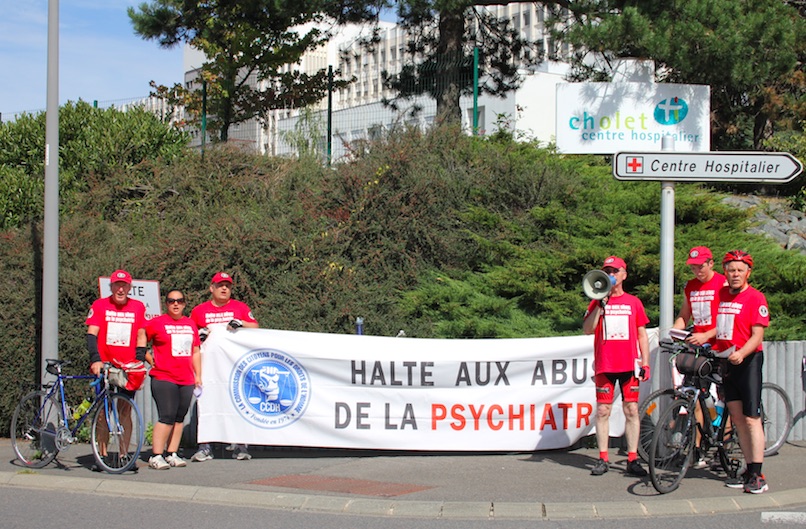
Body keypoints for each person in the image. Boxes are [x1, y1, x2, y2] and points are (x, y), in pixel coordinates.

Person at [583, 256, 650, 477]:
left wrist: (646, 362)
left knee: (631, 409)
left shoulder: (634, 302)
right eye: (607, 271)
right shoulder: (597, 300)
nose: (611, 274)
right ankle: (603, 458)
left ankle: (632, 458)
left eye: (615, 271)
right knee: (603, 410)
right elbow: (588, 329)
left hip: (629, 364)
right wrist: (600, 306)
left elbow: (642, 334)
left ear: (624, 275)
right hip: (606, 364)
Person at [715, 250, 770, 494]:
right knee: (736, 417)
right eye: (731, 269)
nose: (735, 274)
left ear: (748, 272)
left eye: (739, 270)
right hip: (727, 361)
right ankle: (748, 468)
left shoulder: (756, 298)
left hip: (748, 362)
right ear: (725, 272)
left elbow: (758, 335)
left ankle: (758, 474)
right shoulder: (722, 294)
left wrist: (742, 353)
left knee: (751, 418)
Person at [189, 272, 259, 462]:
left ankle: (241, 445)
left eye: (227, 285)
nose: (224, 288)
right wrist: (199, 335)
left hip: (234, 366)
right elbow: (190, 334)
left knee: (238, 401)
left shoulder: (240, 307)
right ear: (212, 288)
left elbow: (256, 327)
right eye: (220, 285)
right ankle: (205, 446)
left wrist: (242, 323)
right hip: (208, 367)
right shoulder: (199, 311)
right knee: (207, 403)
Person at [671, 246, 727, 469]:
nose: (697, 270)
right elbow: (684, 315)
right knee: (697, 396)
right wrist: (675, 332)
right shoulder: (691, 287)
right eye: (693, 267)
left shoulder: (722, 284)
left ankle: (725, 440)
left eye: (700, 266)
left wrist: (706, 334)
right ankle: (697, 451)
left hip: (721, 345)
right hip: (699, 348)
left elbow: (726, 319)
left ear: (711, 263)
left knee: (727, 396)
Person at [85, 269, 147, 465]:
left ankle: (124, 455)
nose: (120, 289)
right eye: (117, 285)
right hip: (105, 366)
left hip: (127, 368)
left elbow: (141, 334)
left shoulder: (137, 307)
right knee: (103, 412)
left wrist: (139, 359)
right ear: (111, 287)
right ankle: (101, 455)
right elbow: (91, 334)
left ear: (129, 288)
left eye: (124, 286)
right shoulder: (100, 305)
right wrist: (95, 359)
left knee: (125, 410)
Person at [144, 290, 202, 470]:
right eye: (171, 301)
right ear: (166, 304)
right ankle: (156, 455)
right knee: (166, 415)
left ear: (184, 304)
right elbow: (139, 342)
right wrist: (151, 360)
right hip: (163, 376)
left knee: (179, 417)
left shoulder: (190, 323)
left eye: (179, 301)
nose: (175, 304)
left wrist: (198, 375)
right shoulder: (156, 323)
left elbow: (195, 351)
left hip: (186, 378)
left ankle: (172, 453)